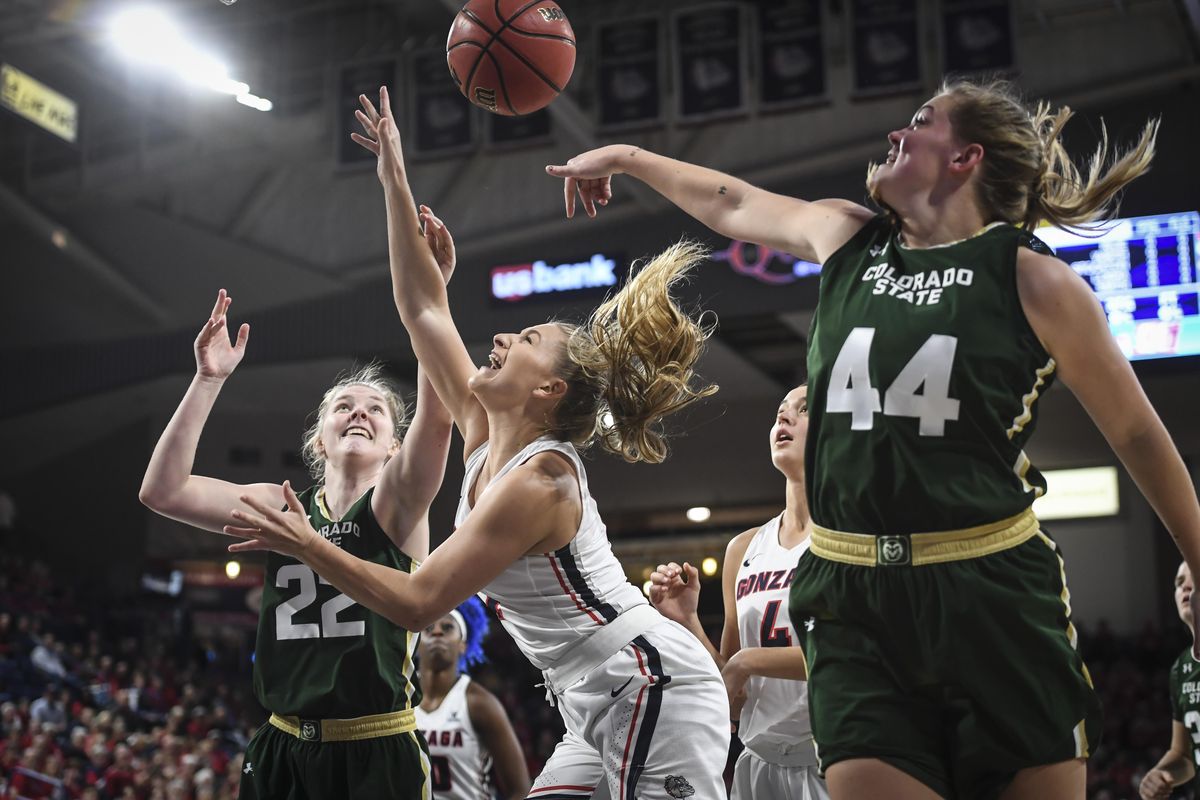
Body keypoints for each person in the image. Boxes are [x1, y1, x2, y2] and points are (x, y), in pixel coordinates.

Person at [546, 78, 1200, 800]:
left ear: (965, 158)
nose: (895, 134)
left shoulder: (1033, 279)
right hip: (854, 595)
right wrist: (631, 158)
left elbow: (1138, 432)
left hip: (992, 592)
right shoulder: (847, 236)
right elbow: (730, 203)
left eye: (920, 123)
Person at [221, 85, 731, 800]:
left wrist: (307, 542)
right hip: (590, 700)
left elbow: (418, 601)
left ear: (548, 390)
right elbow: (423, 307)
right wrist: (394, 179)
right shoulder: (486, 435)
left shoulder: (541, 481)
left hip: (651, 681)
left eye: (525, 340)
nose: (498, 338)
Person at [139, 268, 455, 797]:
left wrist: (431, 297)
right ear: (320, 441)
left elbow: (439, 416)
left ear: (394, 447)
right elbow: (162, 491)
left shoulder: (398, 504)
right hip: (282, 743)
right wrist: (208, 380)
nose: (358, 412)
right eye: (343, 407)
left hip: (375, 743)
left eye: (375, 409)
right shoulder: (278, 505)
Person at [650, 383, 827, 800]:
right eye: (781, 411)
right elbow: (728, 676)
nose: (784, 418)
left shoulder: (849, 537)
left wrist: (748, 661)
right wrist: (688, 619)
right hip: (757, 761)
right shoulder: (743, 548)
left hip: (830, 758)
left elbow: (854, 653)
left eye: (803, 411)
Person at [415, 596, 531, 800]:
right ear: (416, 643)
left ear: (463, 645)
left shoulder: (479, 703)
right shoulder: (399, 699)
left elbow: (520, 790)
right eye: (429, 627)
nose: (437, 631)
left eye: (448, 627)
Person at [1141, 562, 1200, 799]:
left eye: (1194, 577)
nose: (1185, 587)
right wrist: (1159, 774)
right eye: (1178, 583)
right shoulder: (1181, 668)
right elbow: (1184, 756)